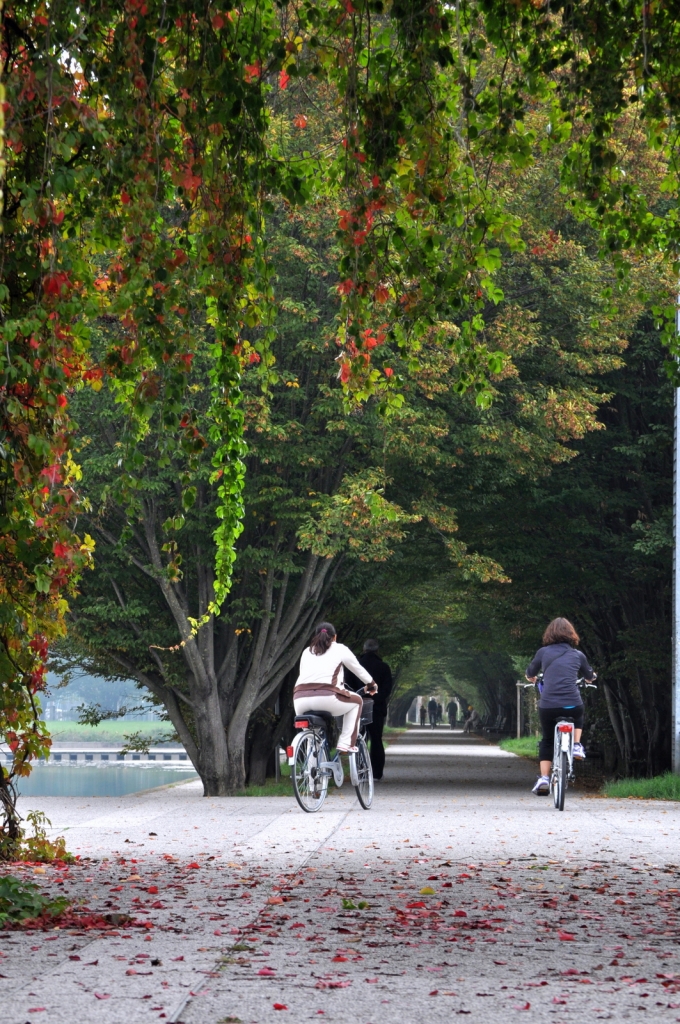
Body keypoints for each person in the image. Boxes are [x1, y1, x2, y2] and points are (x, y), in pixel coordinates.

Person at [525, 616, 595, 795]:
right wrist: (591, 677)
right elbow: (589, 675)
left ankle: (544, 778)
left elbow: (530, 671)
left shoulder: (543, 653)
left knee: (547, 740)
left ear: (549, 634)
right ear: (572, 634)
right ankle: (577, 745)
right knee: (579, 712)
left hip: (548, 706)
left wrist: (531, 677)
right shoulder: (578, 655)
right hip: (572, 705)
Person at [294, 622, 377, 754]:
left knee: (312, 741)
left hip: (300, 700)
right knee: (357, 702)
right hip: (327, 698)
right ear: (335, 637)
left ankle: (311, 774)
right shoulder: (339, 649)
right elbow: (358, 669)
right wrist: (371, 684)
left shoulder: (306, 651)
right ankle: (346, 743)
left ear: (315, 636)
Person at [344, 639, 394, 780]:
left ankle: (359, 769)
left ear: (364, 649)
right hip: (376, 708)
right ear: (377, 650)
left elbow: (347, 686)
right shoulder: (383, 667)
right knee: (376, 740)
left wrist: (358, 698)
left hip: (356, 707)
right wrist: (375, 699)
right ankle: (377, 773)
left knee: (358, 738)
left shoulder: (354, 666)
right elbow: (386, 689)